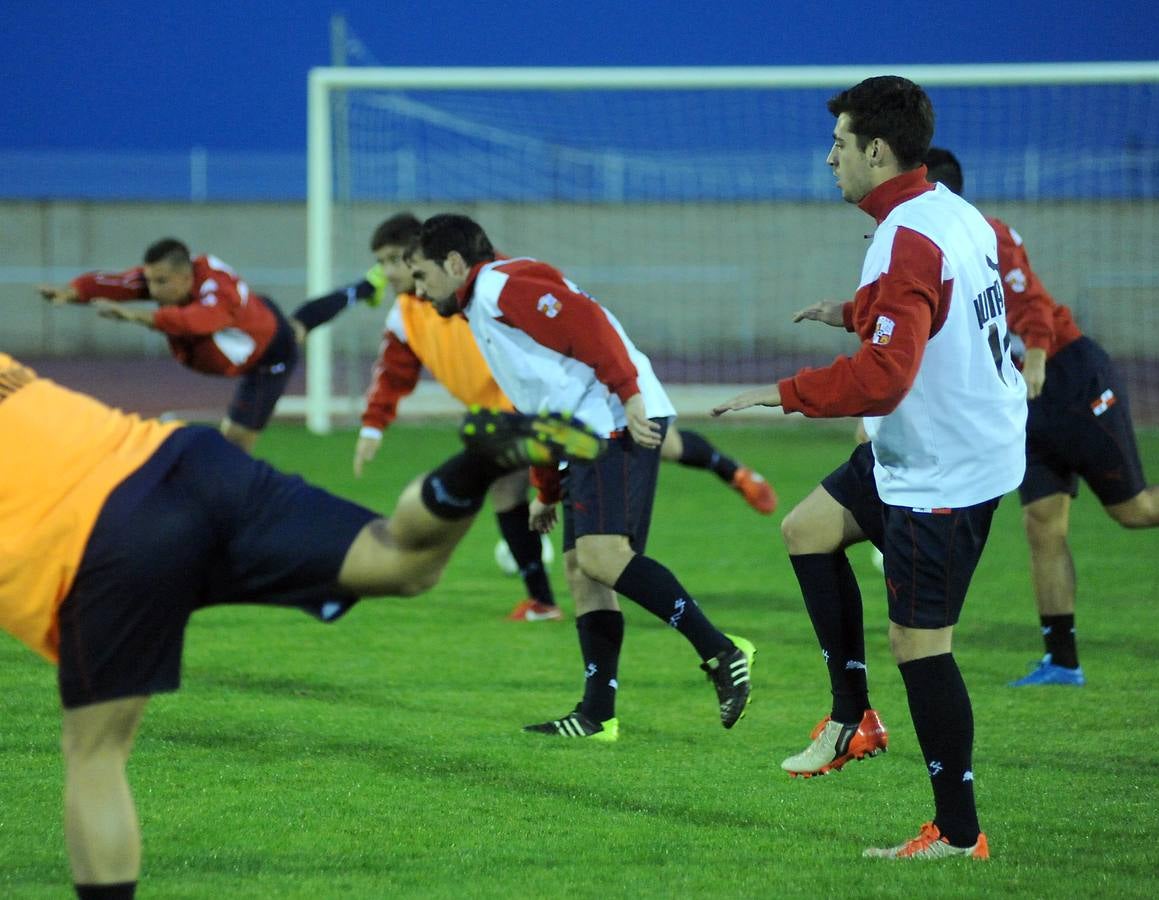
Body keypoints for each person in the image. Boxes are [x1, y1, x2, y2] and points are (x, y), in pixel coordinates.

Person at [0, 349, 601, 900]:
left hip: (104, 537)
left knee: (95, 756)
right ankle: (477, 464)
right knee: (401, 561)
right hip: (188, 459)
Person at [714, 76, 1026, 859]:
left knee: (921, 647)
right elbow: (930, 305)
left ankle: (958, 834)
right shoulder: (953, 213)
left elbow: (885, 377)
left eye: (840, 144)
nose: (831, 160)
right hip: (936, 446)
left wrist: (783, 394)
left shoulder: (907, 235)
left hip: (942, 469)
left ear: (877, 150)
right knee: (807, 530)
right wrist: (852, 312)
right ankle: (853, 719)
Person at [920, 147, 1159, 687]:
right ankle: (1063, 662)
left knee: (1132, 509)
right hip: (1024, 402)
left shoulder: (987, 234)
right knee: (1042, 524)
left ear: (937, 193)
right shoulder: (925, 252)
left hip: (1071, 378)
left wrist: (1037, 354)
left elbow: (1032, 304)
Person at [406, 213, 755, 741]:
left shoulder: (500, 286)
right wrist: (545, 489)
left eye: (422, 275)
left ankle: (722, 652)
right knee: (580, 568)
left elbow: (586, 322)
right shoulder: (485, 301)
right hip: (586, 428)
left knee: (602, 556)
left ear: (453, 263)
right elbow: (541, 398)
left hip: (613, 419)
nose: (418, 290)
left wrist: (630, 393)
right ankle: (597, 714)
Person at [356, 212, 779, 622]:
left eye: (399, 261)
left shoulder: (485, 286)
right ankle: (544, 603)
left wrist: (627, 391)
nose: (391, 272)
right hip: (531, 412)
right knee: (560, 536)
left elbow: (557, 310)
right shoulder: (410, 314)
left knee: (651, 463)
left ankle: (732, 475)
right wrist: (373, 426)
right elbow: (394, 373)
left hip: (564, 408)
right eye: (384, 263)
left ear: (440, 260)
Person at [37, 238, 386, 453]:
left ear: (185, 277)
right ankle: (367, 287)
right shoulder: (174, 277)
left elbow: (199, 322)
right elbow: (119, 283)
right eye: (151, 280)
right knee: (299, 326)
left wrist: (137, 317)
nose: (153, 290)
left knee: (235, 446)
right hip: (257, 319)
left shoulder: (216, 292)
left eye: (161, 282)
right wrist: (74, 292)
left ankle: (231, 510)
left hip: (267, 356)